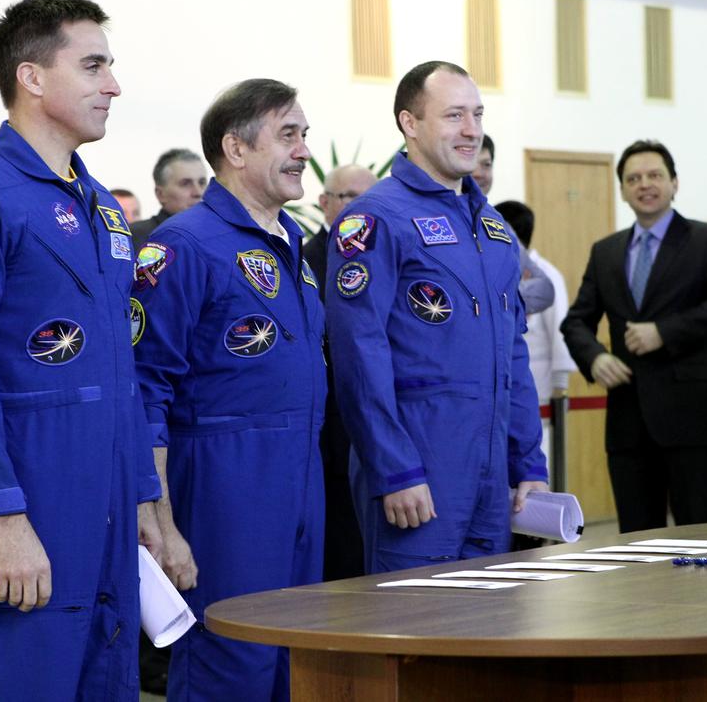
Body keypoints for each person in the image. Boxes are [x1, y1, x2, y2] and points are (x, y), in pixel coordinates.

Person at [0, 0, 162, 700]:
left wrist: (144, 494)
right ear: (31, 77)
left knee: (109, 682)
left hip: (111, 495)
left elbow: (123, 368)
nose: (113, 84)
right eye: (92, 65)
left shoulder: (103, 207)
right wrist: (5, 517)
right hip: (33, 500)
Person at [134, 78, 325, 702]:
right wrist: (161, 520)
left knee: (293, 661)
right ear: (235, 150)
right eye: (287, 135)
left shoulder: (291, 241)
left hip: (300, 480)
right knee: (230, 663)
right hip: (222, 486)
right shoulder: (183, 247)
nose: (302, 150)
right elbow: (145, 391)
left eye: (304, 134)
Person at [326, 60, 548, 574]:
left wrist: (528, 462)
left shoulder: (492, 228)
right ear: (410, 123)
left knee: (490, 632)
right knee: (419, 629)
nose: (471, 130)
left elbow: (513, 355)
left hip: (493, 478)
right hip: (419, 472)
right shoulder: (375, 219)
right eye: (453, 115)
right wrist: (394, 468)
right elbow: (359, 354)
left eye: (477, 114)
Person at [561, 140, 707, 533]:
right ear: (622, 190)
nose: (644, 185)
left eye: (654, 176)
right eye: (633, 178)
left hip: (693, 420)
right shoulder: (606, 252)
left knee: (706, 537)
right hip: (628, 423)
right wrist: (596, 357)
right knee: (638, 542)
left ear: (674, 183)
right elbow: (576, 321)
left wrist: (664, 332)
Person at [303, 163, 376, 581]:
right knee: (340, 559)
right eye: (348, 197)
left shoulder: (386, 254)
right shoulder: (304, 260)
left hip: (382, 435)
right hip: (328, 437)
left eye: (366, 197)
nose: (358, 207)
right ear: (325, 203)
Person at [495, 199, 577, 480]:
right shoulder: (495, 267)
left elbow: (560, 332)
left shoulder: (546, 274)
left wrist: (559, 387)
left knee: (536, 464)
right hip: (504, 386)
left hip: (540, 389)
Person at [472, 133, 555, 313]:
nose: (479, 173)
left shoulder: (500, 227)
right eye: (472, 163)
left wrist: (496, 300)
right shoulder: (439, 224)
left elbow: (545, 289)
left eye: (486, 165)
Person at [129, 147, 208, 253]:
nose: (198, 193)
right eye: (185, 184)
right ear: (160, 194)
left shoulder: (219, 233)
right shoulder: (134, 237)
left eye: (202, 183)